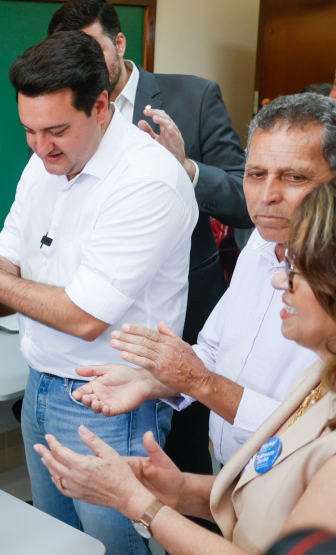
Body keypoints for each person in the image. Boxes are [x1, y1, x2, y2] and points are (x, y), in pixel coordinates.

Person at [0, 31, 196, 554]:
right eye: (29, 131)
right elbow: (12, 256)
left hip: (109, 401)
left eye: (57, 130)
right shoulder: (44, 162)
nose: (41, 147)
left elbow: (86, 317)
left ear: (103, 106)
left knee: (114, 545)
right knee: (57, 539)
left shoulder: (146, 181)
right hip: (39, 384)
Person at [34, 182, 336, 554]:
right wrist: (182, 492)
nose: (277, 280)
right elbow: (271, 493)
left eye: (297, 270)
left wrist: (137, 503)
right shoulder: (319, 377)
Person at [72, 93, 336, 467]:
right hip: (233, 480)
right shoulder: (261, 242)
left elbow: (317, 431)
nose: (267, 196)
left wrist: (199, 382)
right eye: (256, 175)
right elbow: (213, 353)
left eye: (294, 177)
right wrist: (149, 380)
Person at [49, 0, 252, 479]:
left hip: (182, 317)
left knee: (183, 457)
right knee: (108, 472)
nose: (84, 66)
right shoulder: (60, 114)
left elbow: (248, 199)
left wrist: (186, 170)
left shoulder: (194, 97)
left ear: (120, 44)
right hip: (95, 320)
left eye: (94, 49)